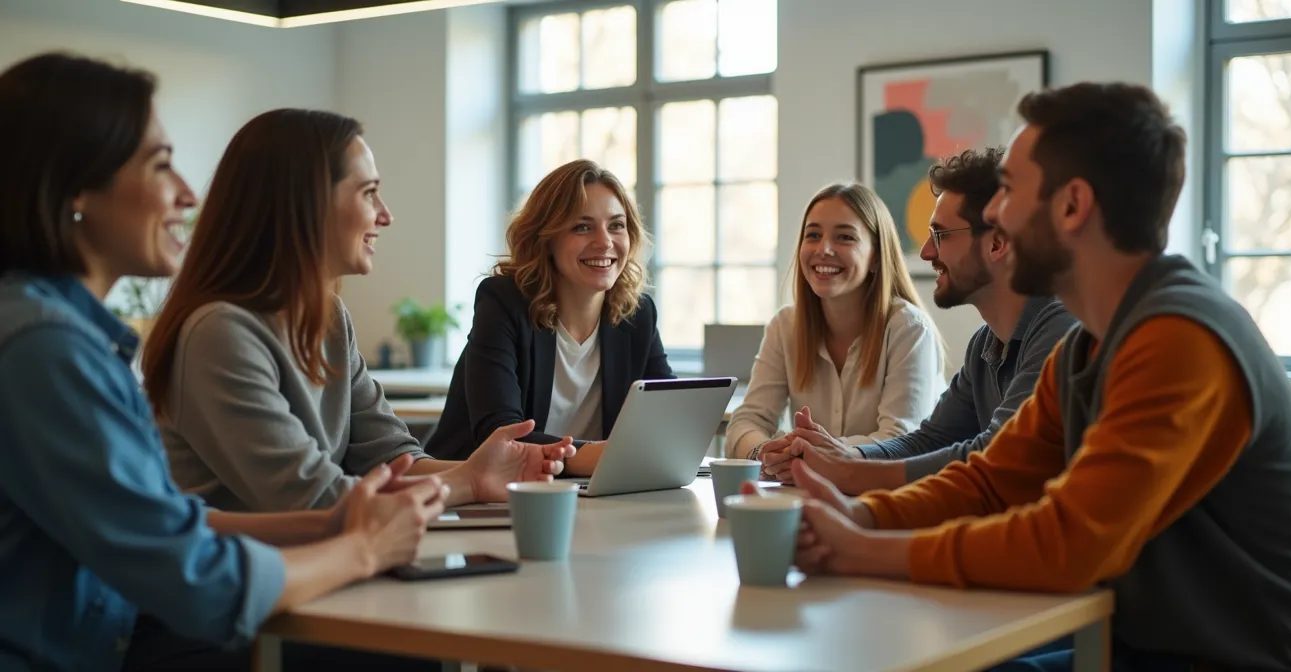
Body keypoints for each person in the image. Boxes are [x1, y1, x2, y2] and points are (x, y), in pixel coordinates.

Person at [771, 82, 1291, 671]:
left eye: (1009, 190)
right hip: (1138, 646)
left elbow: (1067, 543)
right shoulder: (1085, 344)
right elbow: (991, 481)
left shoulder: (1178, 338)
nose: (995, 215)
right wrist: (860, 516)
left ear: (1072, 206)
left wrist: (863, 550)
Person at [0, 51, 448, 672]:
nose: (188, 193)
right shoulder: (46, 349)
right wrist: (363, 548)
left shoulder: (64, 338)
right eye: (161, 164)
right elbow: (197, 580)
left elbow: (173, 523)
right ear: (76, 186)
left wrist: (338, 522)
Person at [140, 109, 573, 516]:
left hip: (322, 561)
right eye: (369, 193)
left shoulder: (329, 318)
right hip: (255, 570)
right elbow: (311, 497)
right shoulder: (219, 332)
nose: (385, 215)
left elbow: (391, 456)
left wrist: (481, 473)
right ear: (307, 204)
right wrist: (467, 483)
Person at [762, 149, 1076, 493]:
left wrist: (847, 472)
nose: (926, 252)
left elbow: (996, 455)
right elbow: (930, 440)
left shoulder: (1060, 331)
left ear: (997, 243)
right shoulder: (985, 345)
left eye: (940, 235)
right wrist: (846, 455)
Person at [423, 159, 672, 477]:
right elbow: (502, 436)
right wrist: (608, 455)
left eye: (616, 225)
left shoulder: (637, 315)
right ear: (547, 239)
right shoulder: (504, 303)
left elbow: (668, 416)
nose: (605, 242)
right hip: (479, 491)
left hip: (589, 491)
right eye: (582, 227)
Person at [725, 182, 946, 470]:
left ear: (876, 257)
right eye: (813, 235)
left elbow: (900, 441)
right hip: (809, 489)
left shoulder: (909, 329)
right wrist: (765, 452)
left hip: (890, 493)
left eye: (845, 237)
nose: (824, 249)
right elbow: (747, 421)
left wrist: (811, 453)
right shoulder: (785, 326)